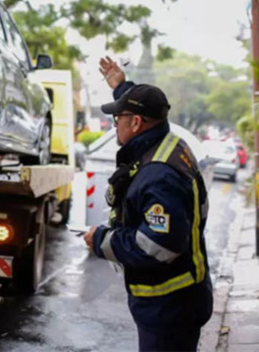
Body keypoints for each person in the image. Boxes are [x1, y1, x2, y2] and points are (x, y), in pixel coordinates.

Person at [83, 56, 213, 352]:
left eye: (117, 119)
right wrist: (121, 88)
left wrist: (100, 240)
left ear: (136, 123)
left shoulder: (159, 175)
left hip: (169, 309)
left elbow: (158, 245)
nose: (114, 125)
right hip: (177, 301)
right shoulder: (168, 142)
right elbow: (142, 107)